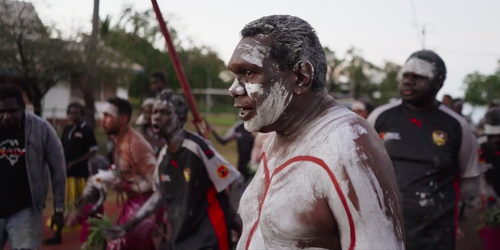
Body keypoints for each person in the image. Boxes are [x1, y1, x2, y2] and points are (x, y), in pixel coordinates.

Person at [228, 15, 405, 249]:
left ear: (301, 76)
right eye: (235, 76)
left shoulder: (349, 142)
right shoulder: (276, 138)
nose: (233, 89)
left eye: (249, 74)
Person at [367, 50, 481, 250]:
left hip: (437, 236)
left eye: (418, 77)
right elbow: (362, 169)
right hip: (383, 232)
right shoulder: (380, 117)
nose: (408, 81)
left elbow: (469, 183)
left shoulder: (457, 125)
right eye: (406, 76)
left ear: (438, 82)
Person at [103, 93, 241, 250]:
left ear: (181, 119)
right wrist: (129, 225)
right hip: (182, 236)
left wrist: (237, 220)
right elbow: (159, 195)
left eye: (165, 113)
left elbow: (233, 179)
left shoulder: (197, 147)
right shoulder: (163, 157)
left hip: (210, 236)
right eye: (155, 112)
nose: (157, 117)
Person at [0, 84, 66, 249]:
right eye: (0, 112)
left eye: (12, 111)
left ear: (23, 107)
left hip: (25, 210)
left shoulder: (42, 129)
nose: (6, 117)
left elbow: (58, 169)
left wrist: (59, 208)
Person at [100, 97, 158, 250]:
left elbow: (156, 183)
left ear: (123, 119)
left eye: (107, 116)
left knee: (117, 245)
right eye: (103, 115)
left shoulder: (136, 144)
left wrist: (127, 186)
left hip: (146, 206)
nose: (102, 120)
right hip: (132, 203)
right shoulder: (117, 139)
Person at [43, 102, 98, 245]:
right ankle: (57, 234)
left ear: (81, 114)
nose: (73, 115)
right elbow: (60, 148)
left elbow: (93, 151)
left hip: (80, 175)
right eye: (71, 113)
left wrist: (75, 162)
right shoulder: (67, 128)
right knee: (63, 204)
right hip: (66, 174)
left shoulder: (86, 130)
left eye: (77, 113)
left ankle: (91, 236)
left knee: (81, 205)